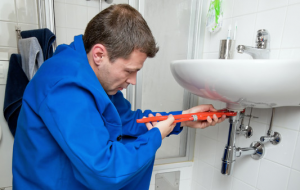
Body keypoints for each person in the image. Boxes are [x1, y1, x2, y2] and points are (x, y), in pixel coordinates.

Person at [12, 4, 226, 190]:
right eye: (128, 70)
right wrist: (154, 137)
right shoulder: (65, 87)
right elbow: (103, 170)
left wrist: (184, 118)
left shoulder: (93, 76)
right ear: (99, 55)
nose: (133, 81)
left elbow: (128, 120)